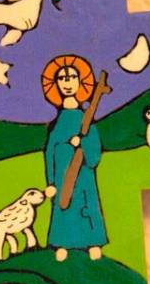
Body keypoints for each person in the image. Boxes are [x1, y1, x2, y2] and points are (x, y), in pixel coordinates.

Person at [40, 54, 106, 262]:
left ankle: (93, 242)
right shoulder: (57, 123)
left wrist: (82, 144)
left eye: (71, 78)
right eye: (62, 78)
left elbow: (94, 149)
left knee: (87, 203)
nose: (67, 83)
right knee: (63, 205)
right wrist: (51, 182)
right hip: (62, 176)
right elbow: (49, 152)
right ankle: (63, 243)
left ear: (80, 81)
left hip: (83, 173)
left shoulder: (85, 119)